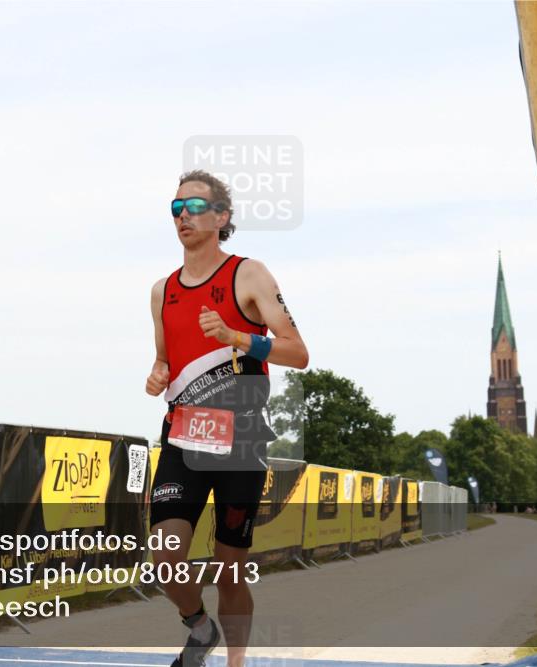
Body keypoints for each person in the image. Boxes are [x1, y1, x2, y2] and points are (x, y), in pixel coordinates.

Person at [145, 170, 309, 667]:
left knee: (230, 569)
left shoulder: (249, 275)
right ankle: (199, 627)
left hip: (240, 442)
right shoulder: (162, 290)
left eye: (194, 207)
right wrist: (157, 374)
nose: (183, 217)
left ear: (221, 217)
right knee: (165, 554)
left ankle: (236, 663)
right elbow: (164, 360)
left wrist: (238, 338)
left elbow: (298, 353)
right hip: (182, 438)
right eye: (176, 209)